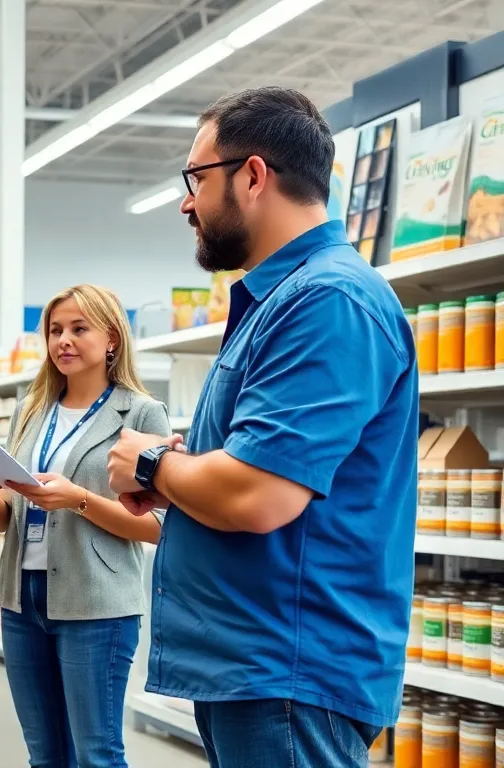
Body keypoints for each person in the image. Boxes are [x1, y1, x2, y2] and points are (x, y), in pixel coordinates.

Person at [106, 87, 417, 768]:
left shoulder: (327, 301)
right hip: (262, 666)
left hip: (289, 668)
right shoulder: (285, 299)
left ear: (252, 176)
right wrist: (187, 476)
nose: (186, 202)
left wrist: (153, 467)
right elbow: (250, 467)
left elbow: (258, 494)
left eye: (196, 179)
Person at [0, 284, 170, 768]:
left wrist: (79, 499)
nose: (64, 340)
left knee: (97, 754)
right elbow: (1, 522)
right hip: (21, 599)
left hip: (96, 605)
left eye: (79, 328)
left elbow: (161, 526)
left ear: (112, 339)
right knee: (44, 754)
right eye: (56, 330)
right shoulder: (30, 410)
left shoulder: (140, 412)